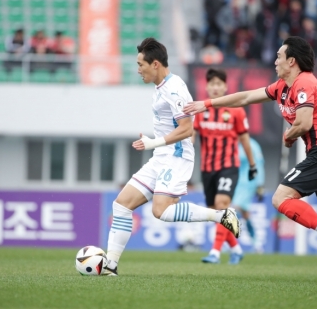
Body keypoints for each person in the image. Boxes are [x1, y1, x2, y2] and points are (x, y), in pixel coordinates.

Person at [184, 36, 317, 284]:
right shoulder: (281, 87)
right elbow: (244, 98)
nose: (275, 61)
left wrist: (289, 135)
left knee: (280, 198)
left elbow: (305, 122)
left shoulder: (305, 82)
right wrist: (207, 104)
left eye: (278, 56)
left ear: (292, 61)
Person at [103, 38, 240, 276]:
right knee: (121, 205)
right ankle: (110, 265)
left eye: (140, 64)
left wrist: (153, 142)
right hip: (161, 156)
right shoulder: (162, 87)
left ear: (155, 64)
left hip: (176, 157)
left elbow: (187, 128)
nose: (138, 70)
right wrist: (156, 146)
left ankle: (221, 216)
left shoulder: (174, 88)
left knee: (161, 211)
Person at [193, 68, 257, 265]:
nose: (215, 87)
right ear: (207, 87)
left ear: (225, 87)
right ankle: (236, 250)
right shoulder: (200, 111)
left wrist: (252, 164)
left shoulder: (236, 110)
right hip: (207, 169)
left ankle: (215, 252)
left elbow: (245, 138)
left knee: (222, 206)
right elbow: (192, 137)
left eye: (219, 84)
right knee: (216, 213)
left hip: (229, 166)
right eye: (211, 84)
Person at [231, 136, 265, 252]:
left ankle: (229, 242)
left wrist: (260, 185)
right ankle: (256, 243)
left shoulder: (253, 145)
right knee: (245, 214)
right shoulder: (234, 144)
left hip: (250, 182)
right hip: (237, 183)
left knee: (235, 209)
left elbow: (259, 165)